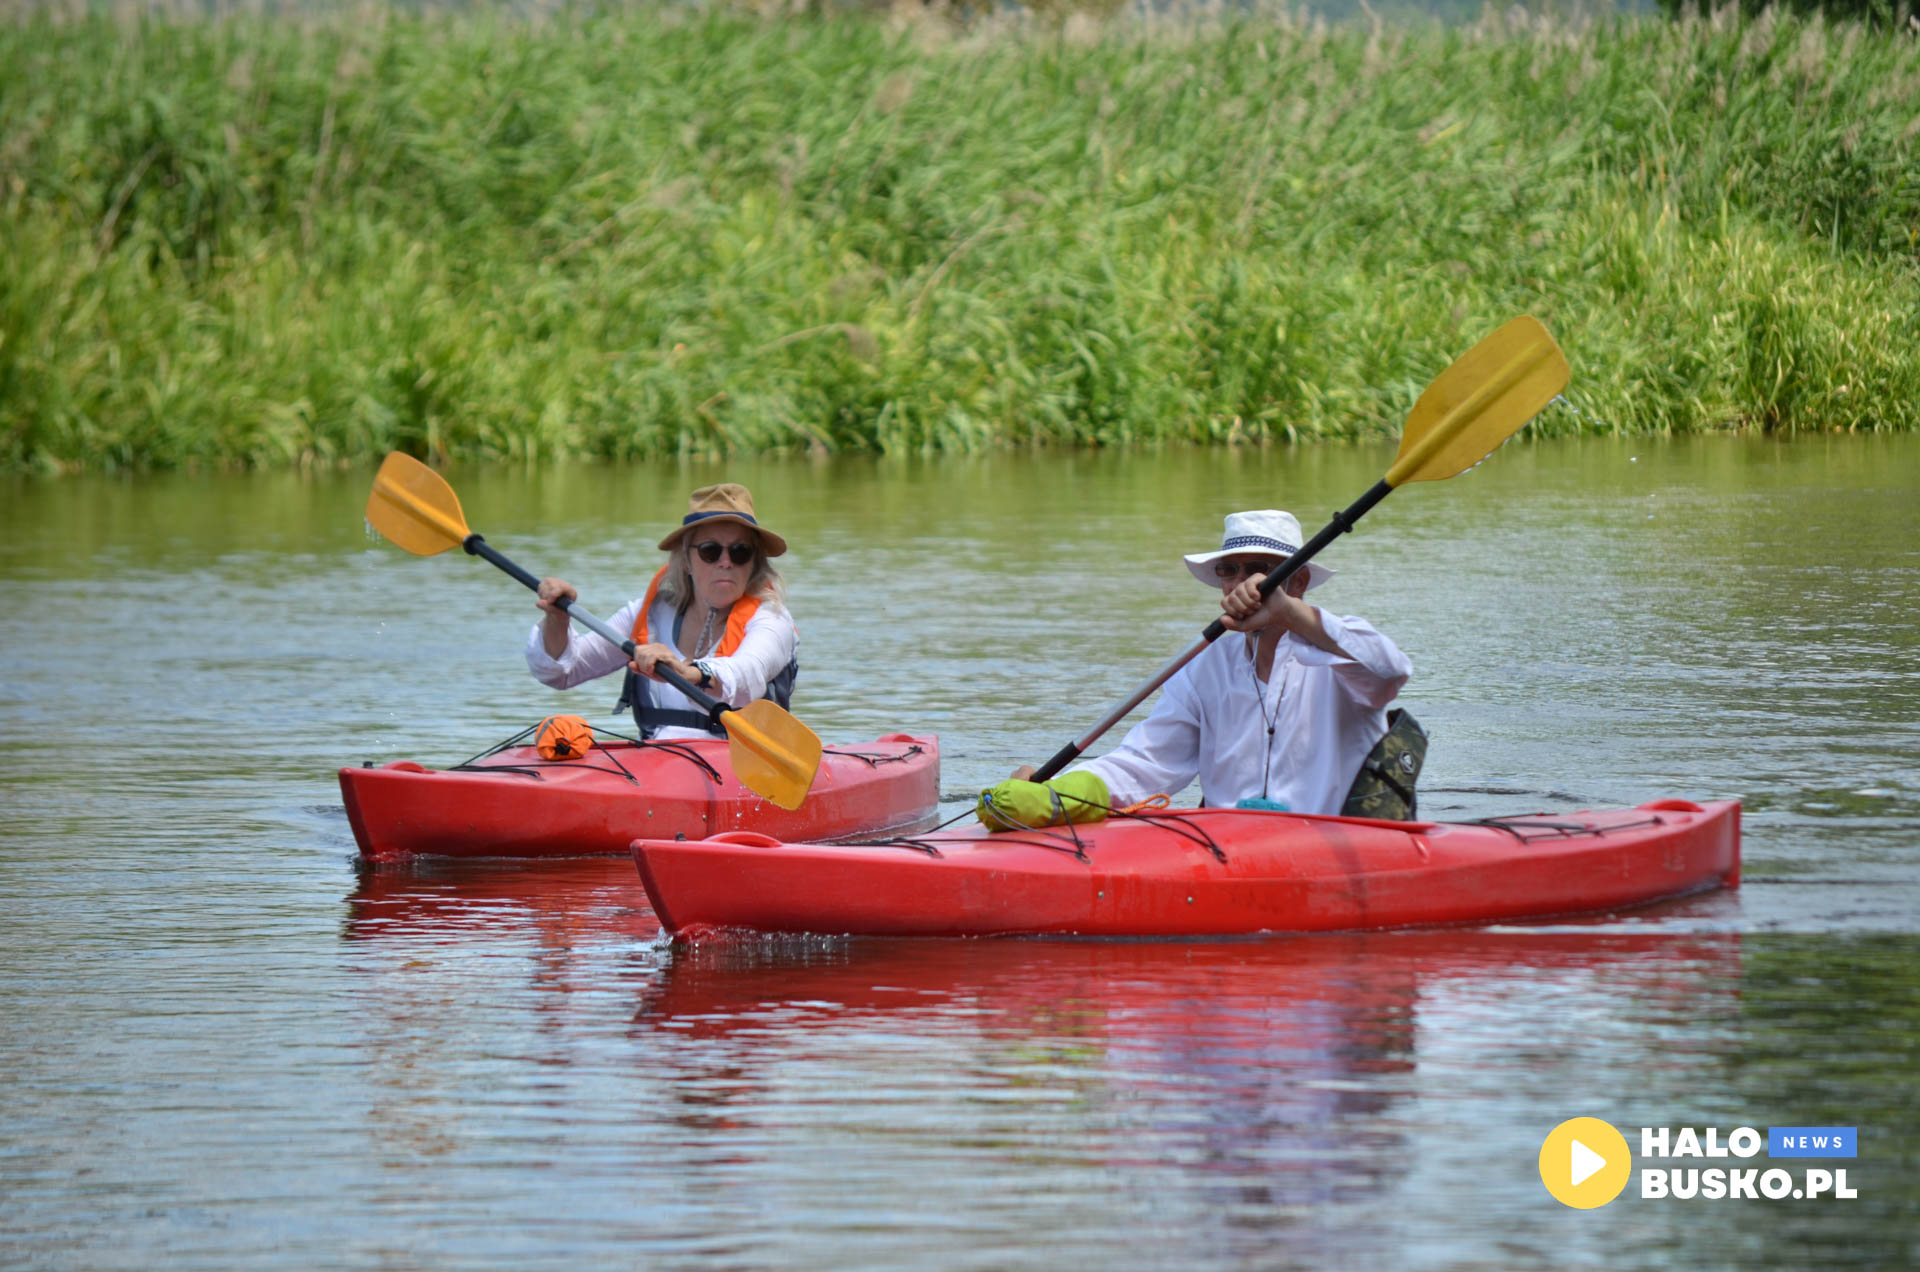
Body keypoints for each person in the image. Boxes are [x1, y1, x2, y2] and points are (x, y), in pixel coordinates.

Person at [978, 509, 1412, 827]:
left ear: (1298, 582)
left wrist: (1288, 613)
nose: (1243, 582)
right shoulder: (1202, 664)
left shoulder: (1340, 650)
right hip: (1228, 853)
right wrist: (1054, 795)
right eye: (1230, 570)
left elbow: (1390, 671)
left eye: (1261, 571)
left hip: (1333, 845)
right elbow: (1144, 764)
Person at [526, 483, 798, 741]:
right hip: (660, 764)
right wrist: (557, 621)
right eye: (710, 550)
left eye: (740, 551)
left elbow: (747, 672)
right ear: (687, 560)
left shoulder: (772, 619)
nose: (725, 562)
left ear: (753, 562)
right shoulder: (650, 614)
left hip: (745, 769)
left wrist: (688, 672)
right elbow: (563, 673)